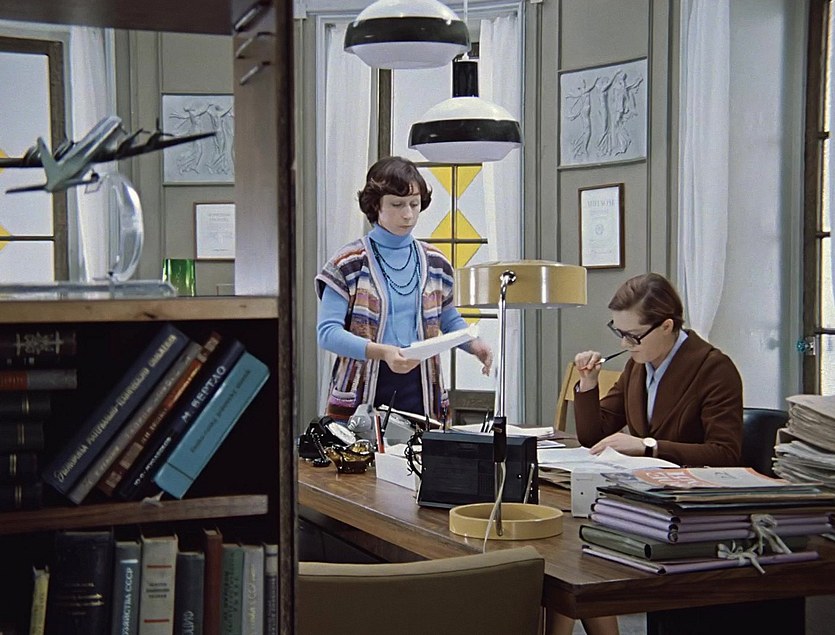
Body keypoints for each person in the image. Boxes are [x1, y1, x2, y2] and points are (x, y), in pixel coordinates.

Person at [546, 272, 743, 635]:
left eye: (633, 335)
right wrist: (588, 385)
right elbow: (593, 437)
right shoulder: (638, 365)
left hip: (688, 514)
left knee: (572, 554)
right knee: (562, 556)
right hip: (643, 501)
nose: (625, 343)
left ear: (667, 325)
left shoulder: (714, 368)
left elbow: (726, 453)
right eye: (618, 332)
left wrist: (649, 446)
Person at [315, 156, 493, 424]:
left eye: (414, 204)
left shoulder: (436, 263)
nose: (408, 214)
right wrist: (383, 352)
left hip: (423, 391)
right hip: (361, 392)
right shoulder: (348, 263)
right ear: (375, 205)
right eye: (397, 204)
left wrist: (474, 344)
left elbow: (449, 319)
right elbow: (327, 334)